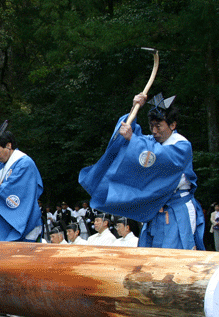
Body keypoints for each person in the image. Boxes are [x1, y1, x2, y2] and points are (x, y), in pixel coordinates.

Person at [79, 92, 205, 250]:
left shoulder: (181, 145)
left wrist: (133, 139)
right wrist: (134, 109)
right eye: (152, 126)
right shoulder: (151, 141)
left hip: (177, 209)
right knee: (150, 256)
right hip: (155, 210)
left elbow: (159, 156)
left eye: (158, 126)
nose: (154, 131)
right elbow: (130, 140)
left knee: (175, 256)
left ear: (172, 125)